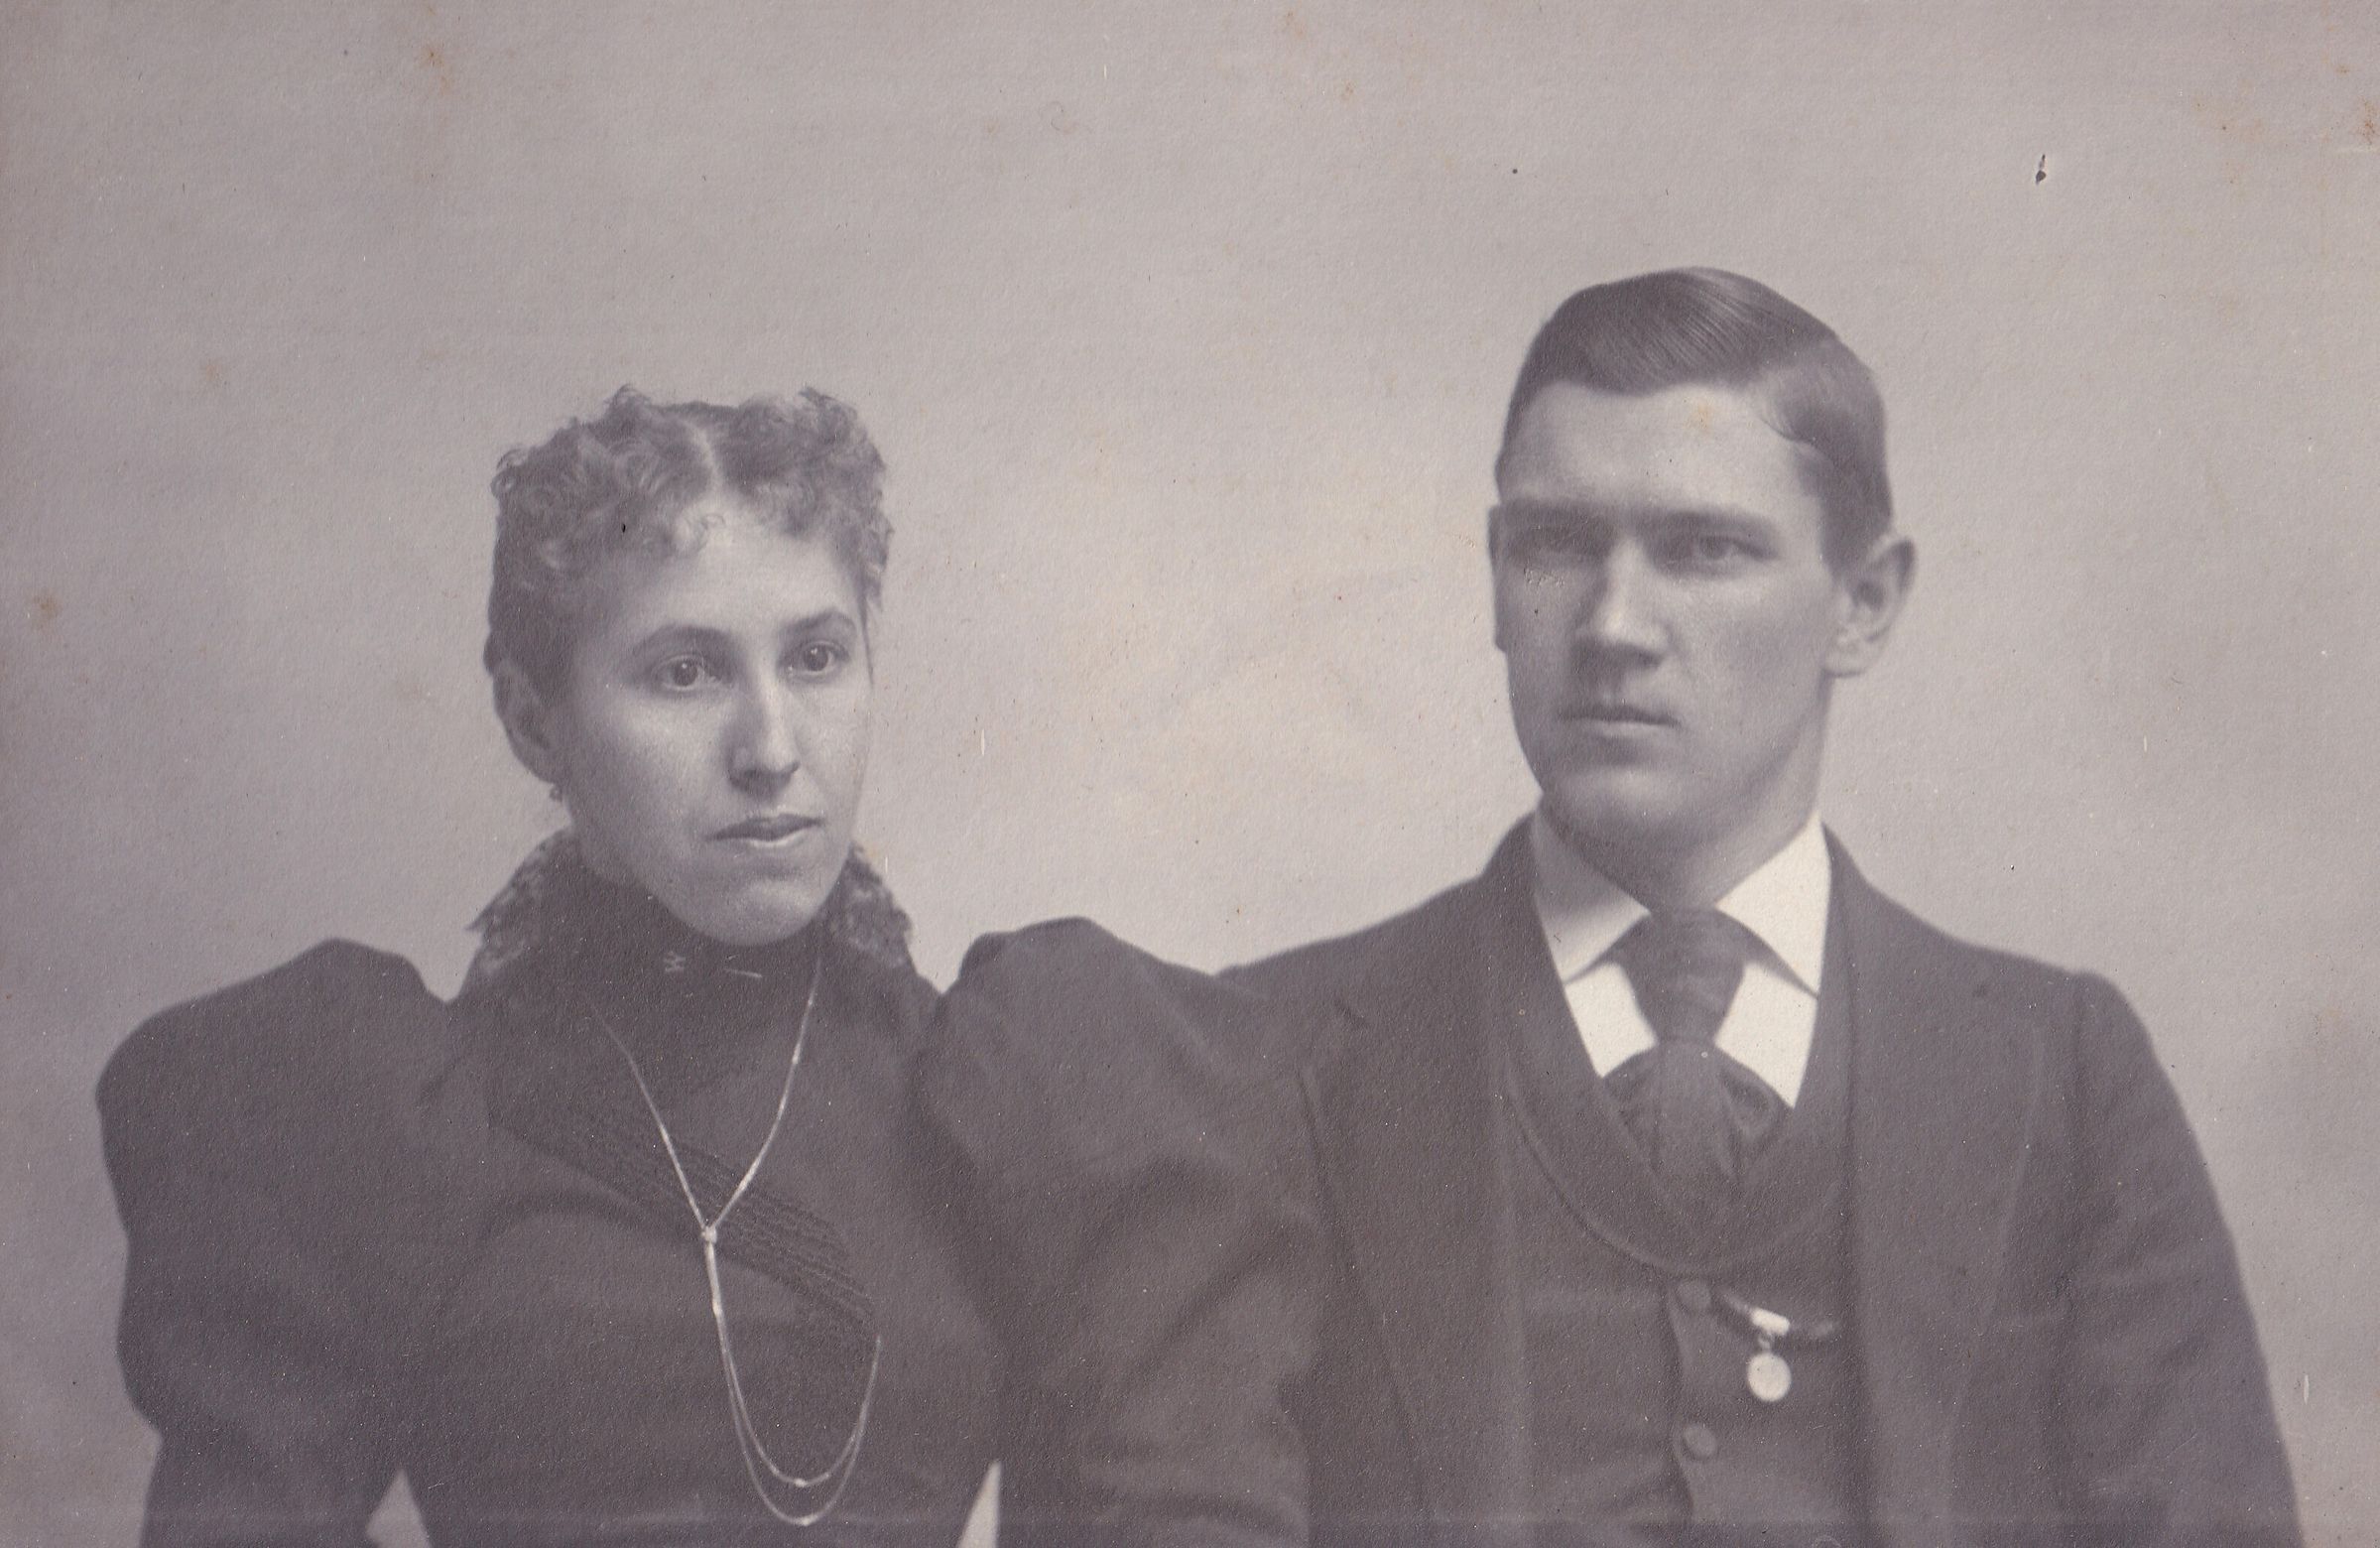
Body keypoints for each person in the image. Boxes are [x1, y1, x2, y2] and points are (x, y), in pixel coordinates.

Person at [99, 388, 1313, 1547]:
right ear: (533, 720)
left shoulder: (1019, 1097)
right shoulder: (391, 1113)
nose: (771, 749)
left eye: (816, 658)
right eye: (685, 673)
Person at [1229, 269, 2299, 1547]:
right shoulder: (1270, 1064)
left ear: (1862, 603)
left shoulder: (2061, 1075)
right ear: (1494, 576)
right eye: (1555, 543)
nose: (1613, 624)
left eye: (1703, 550)